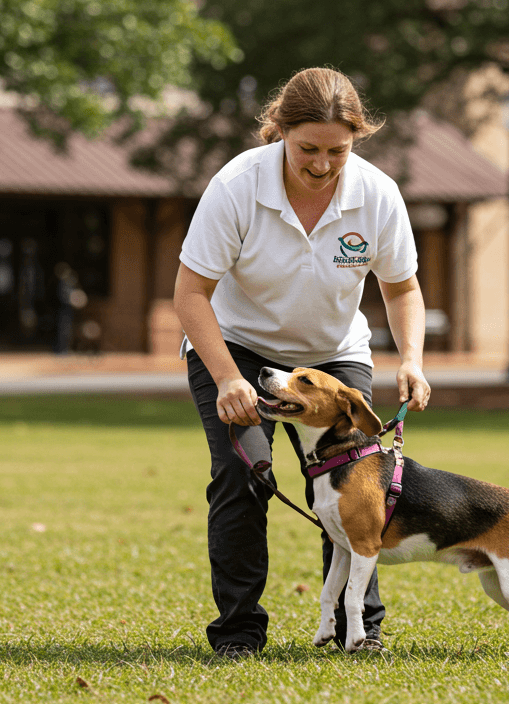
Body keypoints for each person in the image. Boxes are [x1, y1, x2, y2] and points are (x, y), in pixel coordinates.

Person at [173, 66, 431, 658]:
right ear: (280, 131)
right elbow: (190, 294)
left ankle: (354, 629)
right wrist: (227, 378)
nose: (321, 164)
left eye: (337, 151)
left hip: (333, 355)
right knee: (244, 477)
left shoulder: (377, 195)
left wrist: (412, 359)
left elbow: (402, 288)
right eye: (307, 148)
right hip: (237, 347)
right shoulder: (238, 185)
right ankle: (238, 633)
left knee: (357, 482)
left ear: (357, 140)